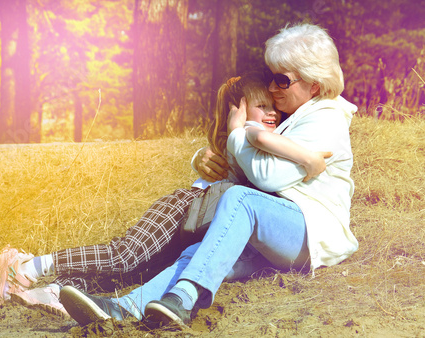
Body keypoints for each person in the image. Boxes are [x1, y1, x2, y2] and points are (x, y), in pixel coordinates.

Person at [59, 22, 359, 328]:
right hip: (280, 229)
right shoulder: (300, 115)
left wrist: (236, 133)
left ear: (315, 85)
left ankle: (182, 299)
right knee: (199, 251)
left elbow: (266, 177)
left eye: (281, 81)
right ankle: (124, 307)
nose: (271, 88)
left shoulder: (326, 119)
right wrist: (203, 158)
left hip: (312, 235)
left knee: (240, 199)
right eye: (271, 78)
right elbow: (248, 166)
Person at [0, 71, 327, 319]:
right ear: (238, 112)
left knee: (135, 271)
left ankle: (50, 291)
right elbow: (237, 157)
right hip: (186, 209)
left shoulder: (261, 142)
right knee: (124, 255)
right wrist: (220, 141)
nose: (272, 114)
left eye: (275, 110)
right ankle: (28, 266)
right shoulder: (243, 139)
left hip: (203, 227)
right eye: (262, 106)